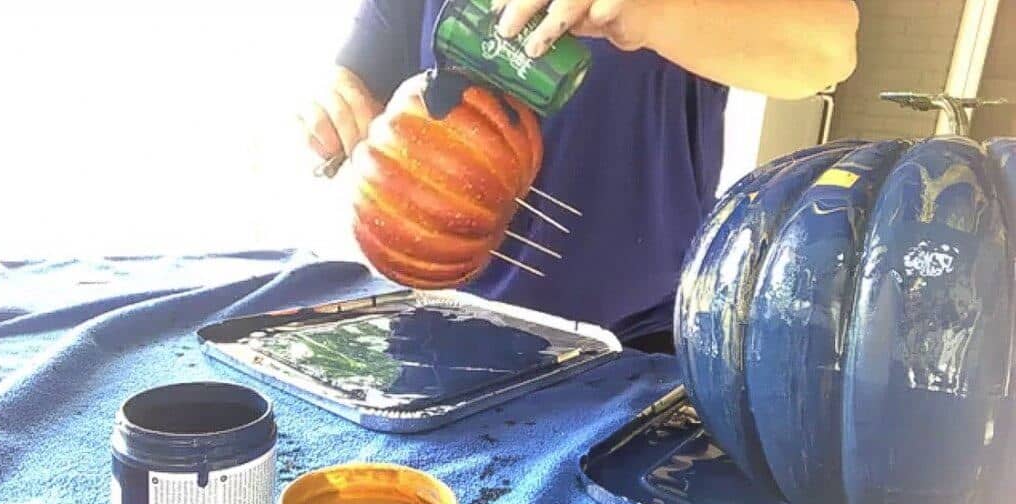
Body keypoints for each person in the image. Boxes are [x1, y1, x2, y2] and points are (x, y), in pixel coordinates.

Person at [301, 0, 858, 354]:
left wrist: (650, 13)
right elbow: (360, 74)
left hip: (630, 352)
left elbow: (829, 47)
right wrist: (337, 100)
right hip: (436, 331)